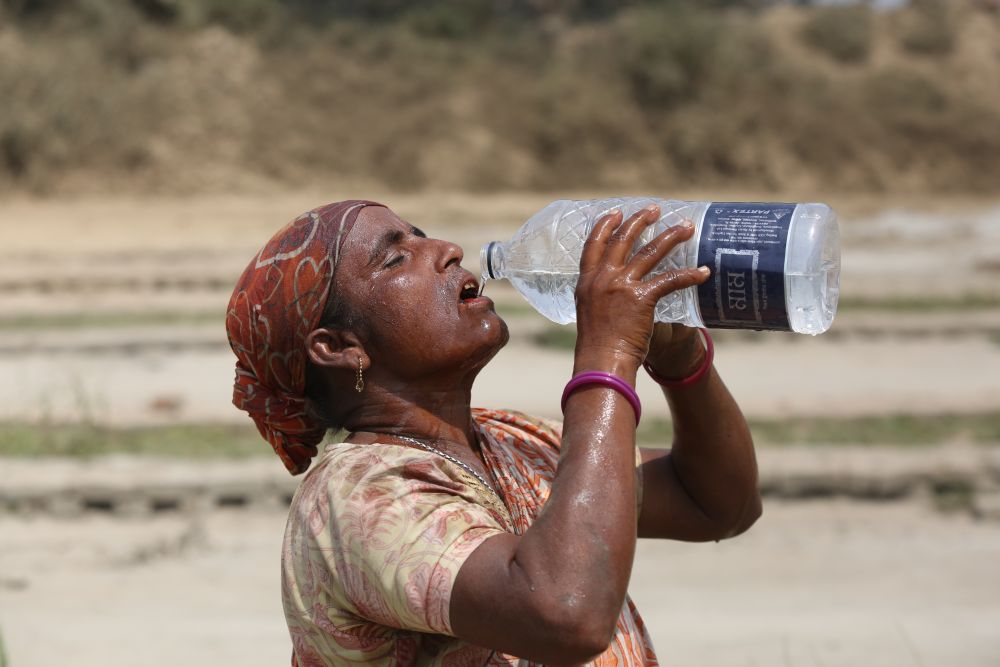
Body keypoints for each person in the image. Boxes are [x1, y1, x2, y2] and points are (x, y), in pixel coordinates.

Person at [226, 199, 761, 666]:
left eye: (420, 234)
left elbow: (716, 504)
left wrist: (683, 360)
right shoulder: (358, 496)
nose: (447, 250)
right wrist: (609, 353)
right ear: (341, 348)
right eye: (395, 259)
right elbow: (566, 614)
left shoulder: (509, 439)